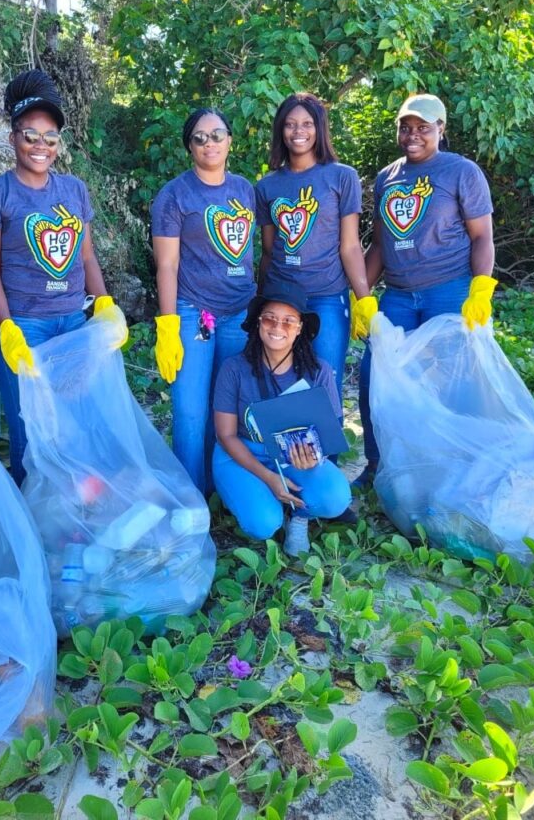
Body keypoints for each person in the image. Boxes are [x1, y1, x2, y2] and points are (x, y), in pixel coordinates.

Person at [0, 68, 122, 485]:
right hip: (22, 324)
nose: (40, 145)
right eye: (29, 135)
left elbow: (87, 258)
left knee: (76, 419)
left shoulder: (74, 190)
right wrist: (7, 327)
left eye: (50, 137)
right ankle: (33, 520)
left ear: (59, 143)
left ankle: (71, 511)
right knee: (29, 427)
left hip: (72, 324)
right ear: (12, 137)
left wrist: (104, 303)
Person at [357, 93, 496, 486]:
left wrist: (480, 288)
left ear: (441, 129)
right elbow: (381, 245)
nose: (412, 135)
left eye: (422, 127)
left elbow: (482, 235)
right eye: (405, 127)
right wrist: (361, 295)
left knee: (451, 381)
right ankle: (377, 463)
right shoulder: (387, 177)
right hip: (399, 295)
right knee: (375, 376)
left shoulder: (461, 172)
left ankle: (454, 466)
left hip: (448, 289)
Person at [151, 107, 256, 494]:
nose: (209, 143)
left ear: (230, 140)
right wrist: (168, 325)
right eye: (199, 137)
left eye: (217, 135)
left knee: (225, 409)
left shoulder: (245, 189)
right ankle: (190, 498)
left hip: (240, 314)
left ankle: (220, 491)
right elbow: (167, 264)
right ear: (189, 147)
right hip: (194, 311)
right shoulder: (174, 196)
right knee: (190, 413)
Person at [212, 280, 351, 554]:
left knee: (336, 498)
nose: (277, 328)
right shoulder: (234, 369)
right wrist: (268, 477)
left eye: (289, 321)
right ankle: (267, 502)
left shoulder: (318, 371)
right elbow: (225, 435)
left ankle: (299, 517)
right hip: (243, 455)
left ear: (300, 328)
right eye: (270, 319)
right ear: (258, 323)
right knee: (262, 524)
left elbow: (330, 429)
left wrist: (314, 455)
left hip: (294, 457)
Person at [255, 92, 377, 406]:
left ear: (319, 128)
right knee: (283, 383)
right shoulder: (267, 186)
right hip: (281, 298)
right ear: (280, 130)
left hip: (327, 297)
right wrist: (259, 300)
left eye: (307, 124)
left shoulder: (342, 177)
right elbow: (269, 251)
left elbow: (349, 246)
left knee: (325, 384)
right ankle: (286, 454)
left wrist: (364, 299)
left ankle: (326, 458)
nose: (299, 131)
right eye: (290, 124)